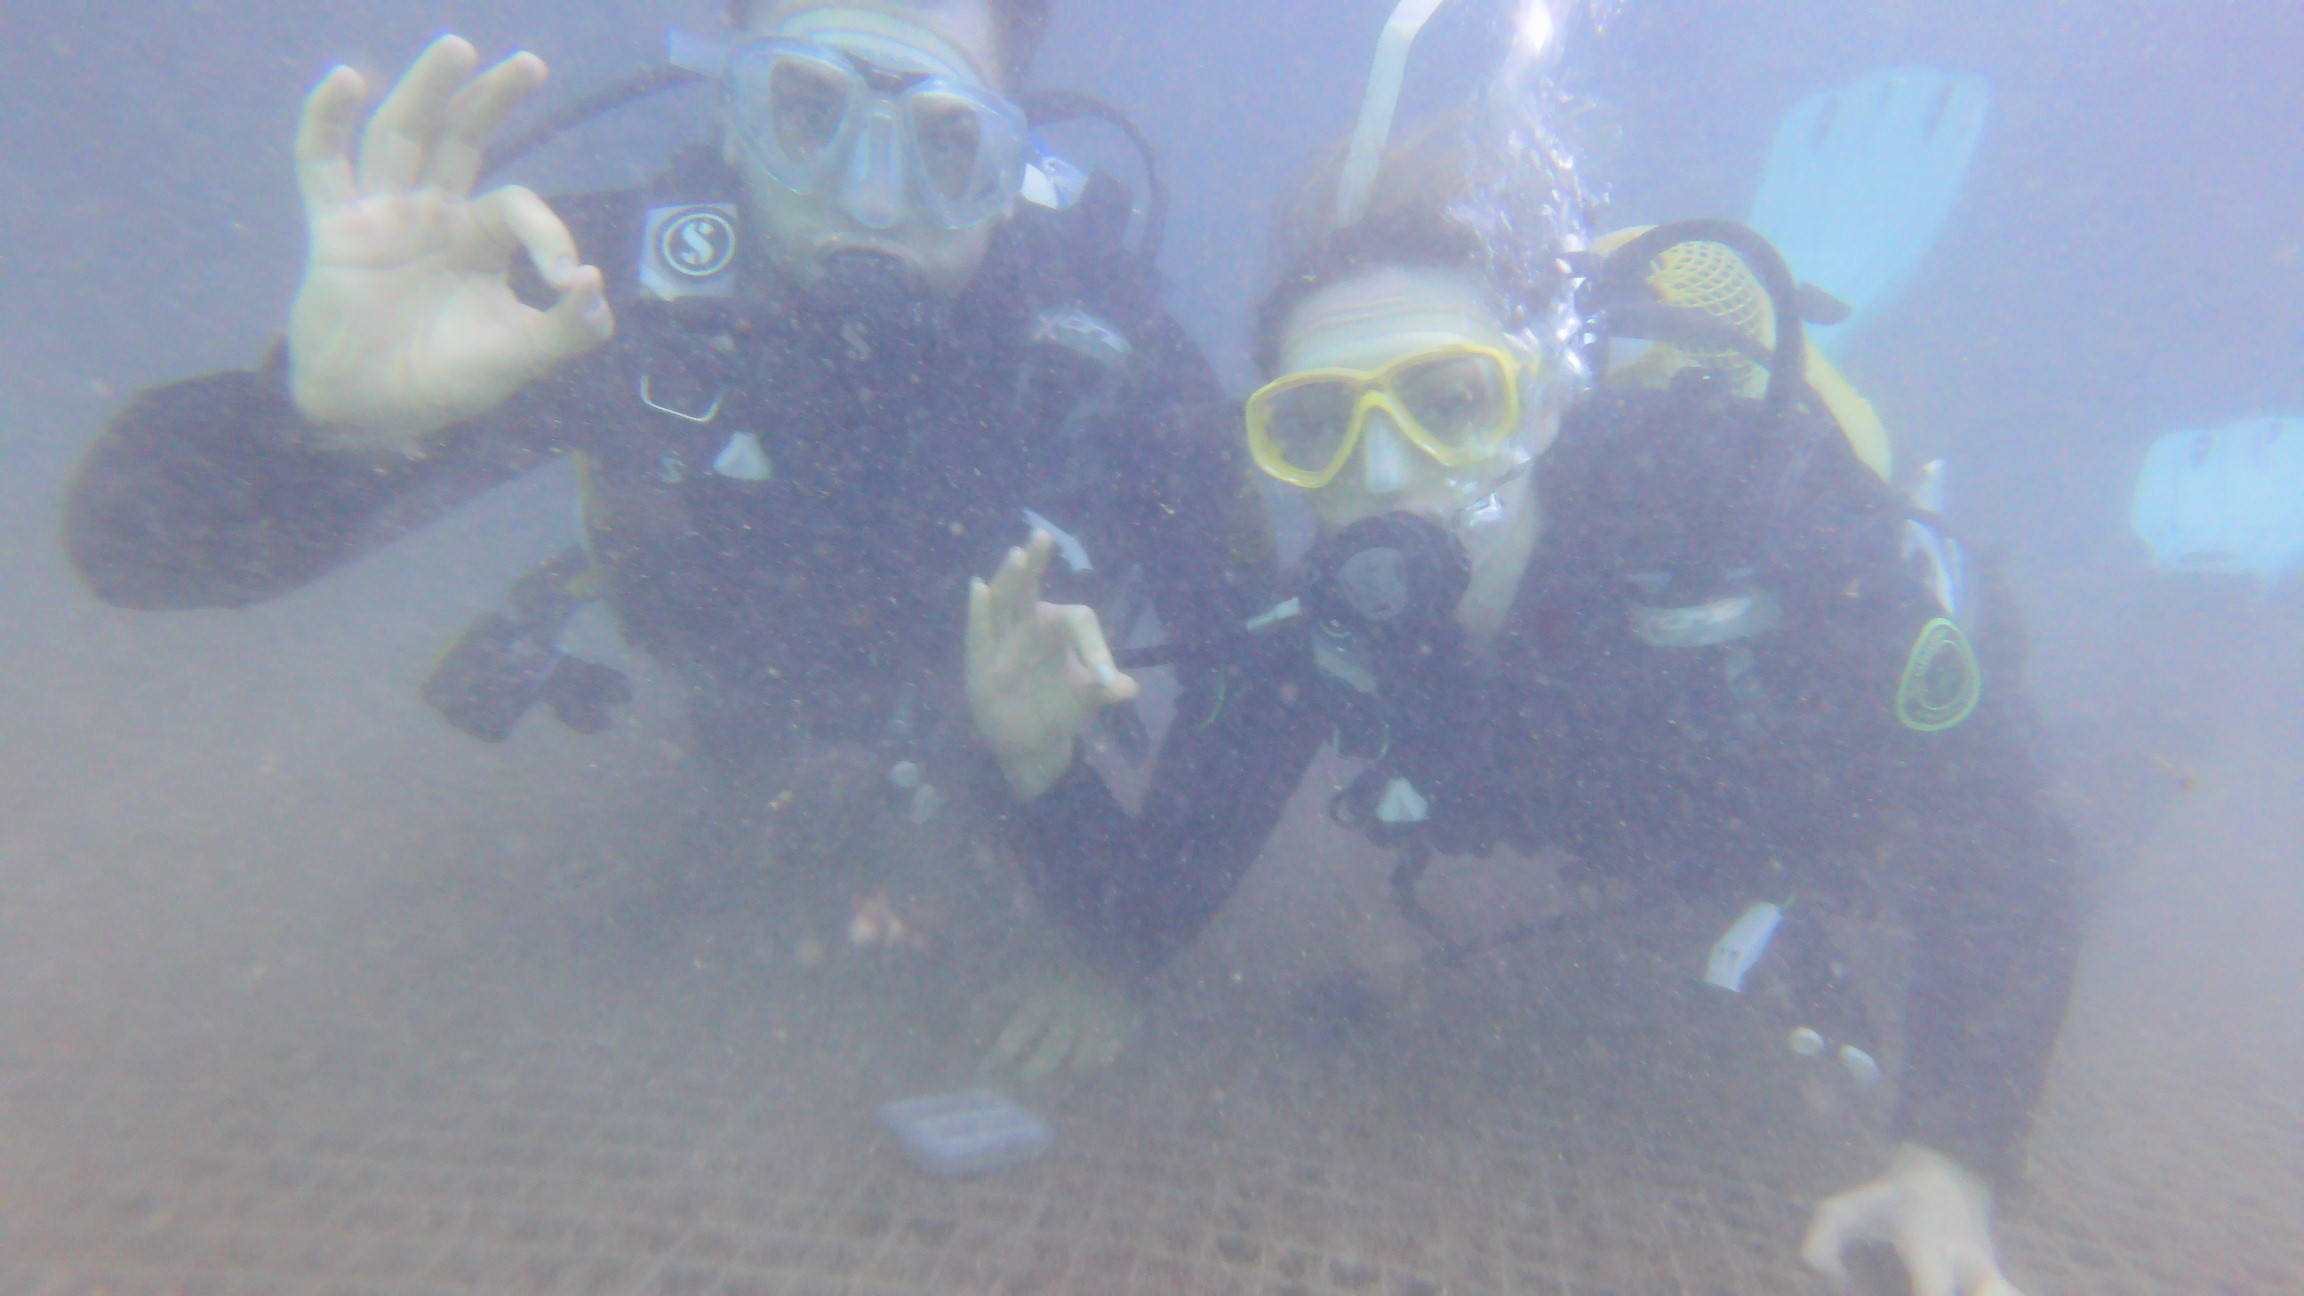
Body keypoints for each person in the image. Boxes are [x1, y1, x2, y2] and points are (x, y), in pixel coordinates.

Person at [966, 113, 2081, 1296]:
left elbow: (2006, 830)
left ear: (1545, 400)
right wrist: (1038, 769)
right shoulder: (1326, 633)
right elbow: (1146, 911)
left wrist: (1948, 1160)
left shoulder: (1740, 516)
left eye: (1451, 402)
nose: (1384, 474)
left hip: (1802, 804)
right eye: (1318, 425)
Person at [62, 2, 1263, 922]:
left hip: (994, 753)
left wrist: (1111, 942)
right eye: (809, 109)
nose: (871, 196)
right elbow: (128, 549)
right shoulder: (594, 296)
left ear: (1011, 169)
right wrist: (313, 424)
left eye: (947, 140)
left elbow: (1249, 674)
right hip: (736, 692)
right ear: (730, 121)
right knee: (735, 777)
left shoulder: (1111, 354)